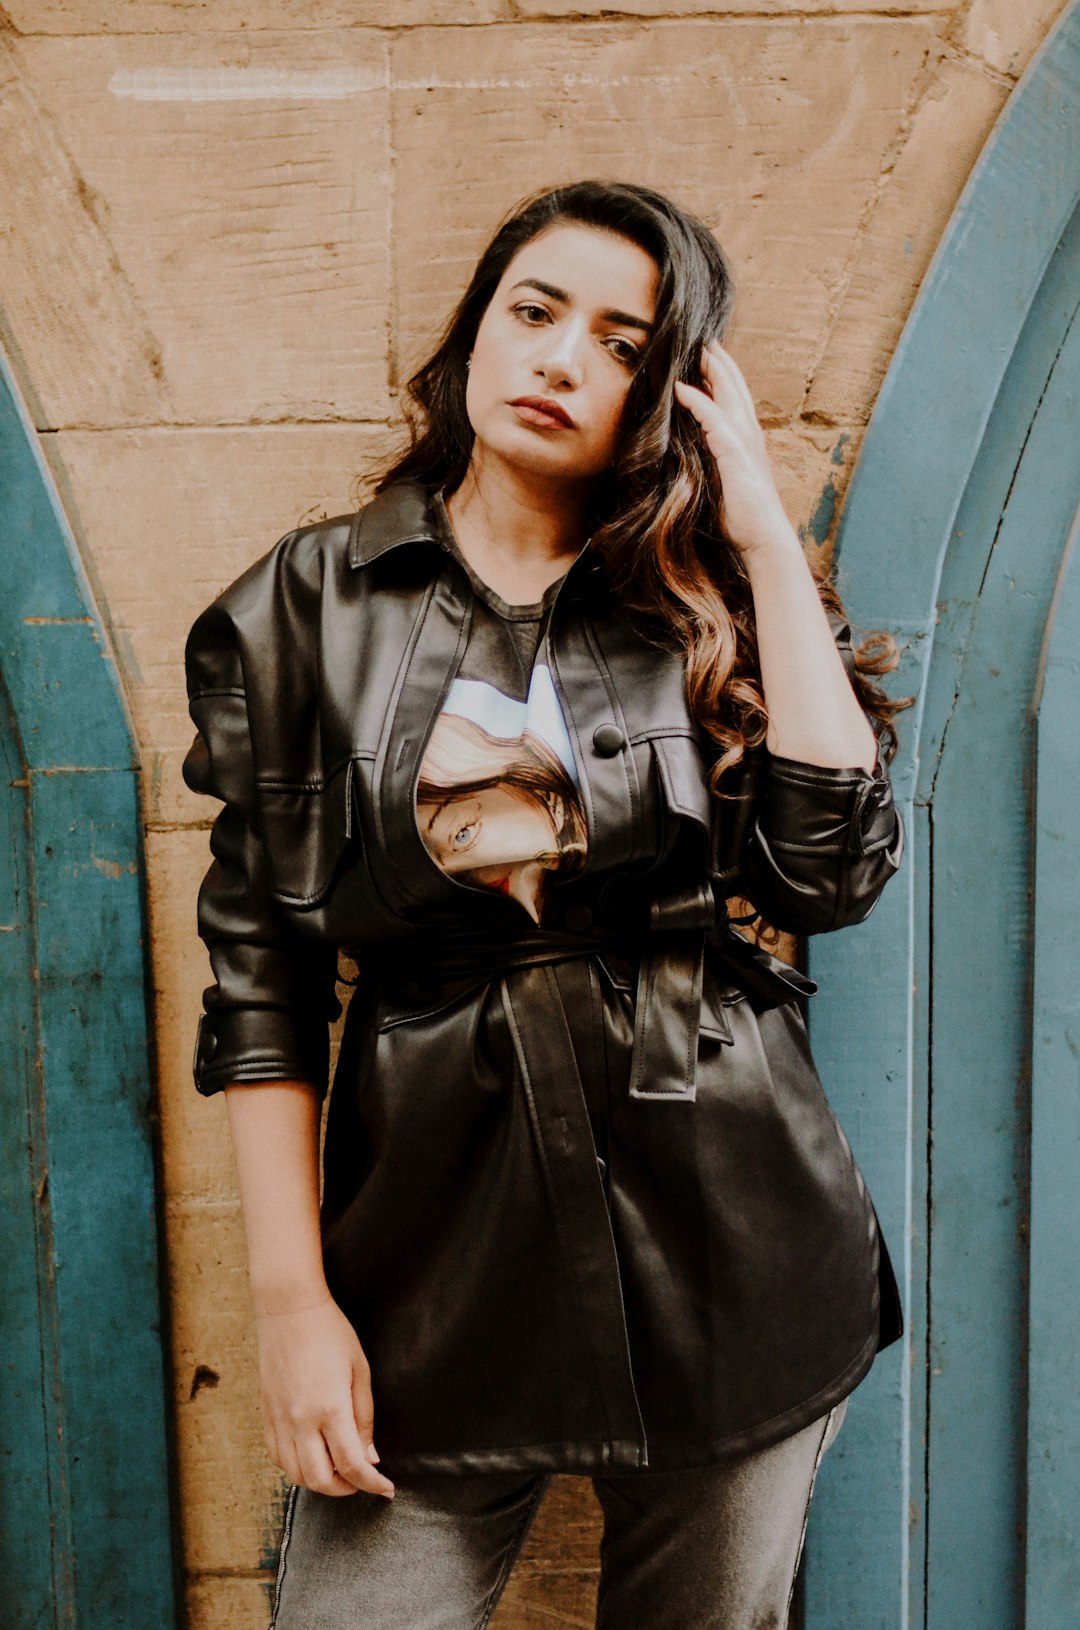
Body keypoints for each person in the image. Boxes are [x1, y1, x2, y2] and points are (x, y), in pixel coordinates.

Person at [183, 179, 906, 1630]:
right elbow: (262, 972)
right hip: (430, 1274)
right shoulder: (302, 605)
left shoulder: (703, 593)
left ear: (668, 393)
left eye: (625, 342)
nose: (565, 357)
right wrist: (290, 1304)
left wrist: (764, 537)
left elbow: (829, 874)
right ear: (476, 333)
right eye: (535, 310)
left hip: (735, 1254)